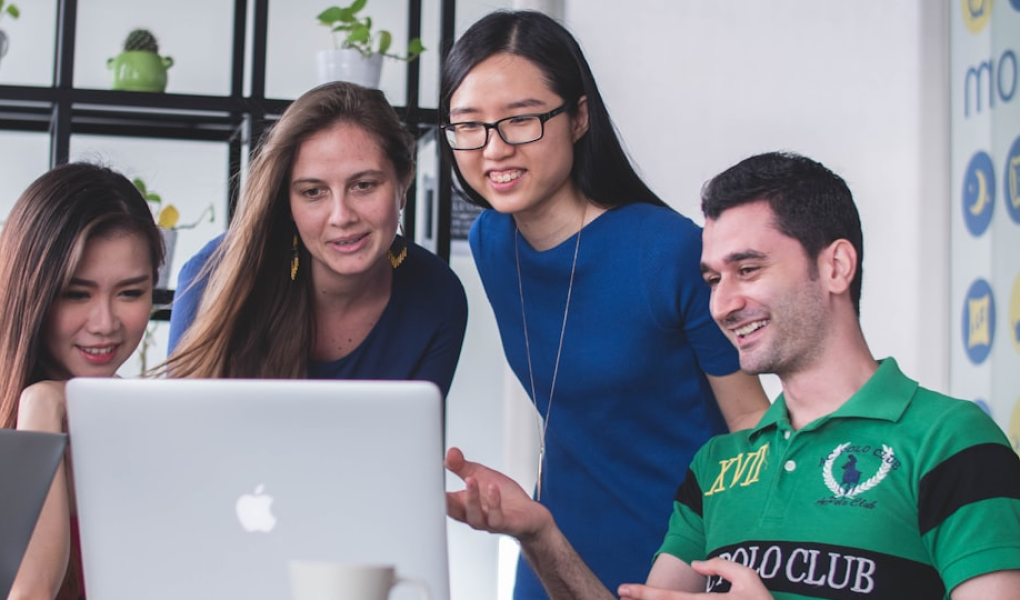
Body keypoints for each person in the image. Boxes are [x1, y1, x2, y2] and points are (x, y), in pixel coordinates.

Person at [445, 151, 1020, 600]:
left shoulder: (952, 441)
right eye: (713, 279)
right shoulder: (716, 466)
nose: (723, 303)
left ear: (836, 266)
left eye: (748, 269)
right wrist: (541, 534)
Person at [438, 10, 769, 595]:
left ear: (579, 117)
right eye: (469, 125)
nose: (493, 149)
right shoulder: (493, 242)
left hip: (679, 556)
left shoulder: (667, 251)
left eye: (521, 120)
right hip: (552, 549)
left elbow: (750, 426)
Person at [0, 162, 165, 600]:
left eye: (130, 293)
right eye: (76, 293)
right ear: (31, 291)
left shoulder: (135, 414)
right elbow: (28, 593)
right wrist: (40, 409)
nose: (105, 323)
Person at [164, 82, 468, 396]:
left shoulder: (438, 297)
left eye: (363, 185)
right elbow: (182, 432)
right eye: (313, 192)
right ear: (288, 202)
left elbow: (412, 441)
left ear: (403, 183)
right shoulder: (214, 275)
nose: (341, 216)